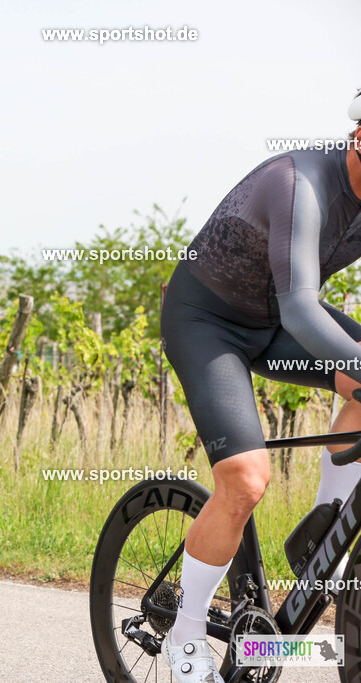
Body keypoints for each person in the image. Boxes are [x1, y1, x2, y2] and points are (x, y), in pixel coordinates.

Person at [159, 91, 361, 682]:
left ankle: (325, 533)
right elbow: (301, 309)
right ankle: (188, 630)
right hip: (207, 322)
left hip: (271, 323)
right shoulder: (300, 181)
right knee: (246, 480)